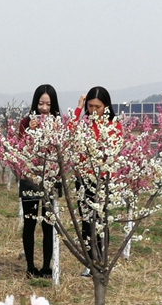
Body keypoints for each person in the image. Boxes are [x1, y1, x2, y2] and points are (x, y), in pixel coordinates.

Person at [73, 86, 122, 277]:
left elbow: (112, 152)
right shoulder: (83, 124)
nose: (94, 111)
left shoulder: (113, 126)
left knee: (101, 221)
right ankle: (89, 261)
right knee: (86, 220)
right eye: (90, 106)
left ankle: (101, 260)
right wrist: (78, 109)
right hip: (83, 178)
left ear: (106, 107)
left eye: (98, 107)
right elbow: (69, 135)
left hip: (102, 180)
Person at [18, 84, 61, 278]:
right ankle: (30, 266)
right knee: (30, 223)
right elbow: (19, 150)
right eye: (40, 103)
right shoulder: (25, 122)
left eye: (48, 104)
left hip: (51, 178)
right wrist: (30, 134)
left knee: (48, 223)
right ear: (35, 103)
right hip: (30, 178)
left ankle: (46, 266)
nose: (44, 108)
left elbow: (60, 149)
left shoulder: (58, 123)